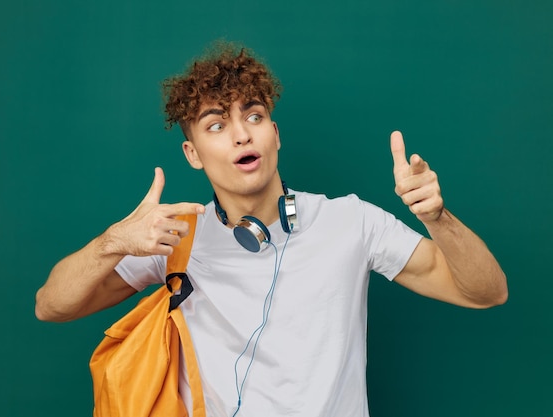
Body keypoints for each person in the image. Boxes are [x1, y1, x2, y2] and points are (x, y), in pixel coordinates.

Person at [35, 42, 507, 417]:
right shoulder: (177, 237)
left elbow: (486, 292)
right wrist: (112, 243)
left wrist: (437, 219)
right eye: (216, 125)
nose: (242, 134)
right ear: (192, 154)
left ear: (275, 135)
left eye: (254, 116)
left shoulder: (352, 221)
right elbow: (51, 306)